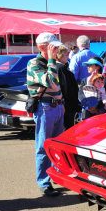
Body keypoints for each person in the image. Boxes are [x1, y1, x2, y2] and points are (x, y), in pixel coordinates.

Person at [27, 32, 64, 196]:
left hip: (55, 107)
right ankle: (43, 182)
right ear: (43, 47)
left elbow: (57, 86)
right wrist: (51, 60)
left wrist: (61, 102)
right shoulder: (34, 63)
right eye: (52, 47)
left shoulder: (52, 63)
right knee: (43, 146)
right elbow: (49, 82)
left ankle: (57, 175)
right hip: (44, 108)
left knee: (57, 145)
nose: (56, 49)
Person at [56, 45, 80, 130]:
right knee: (69, 127)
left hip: (64, 102)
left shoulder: (58, 66)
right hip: (68, 103)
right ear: (61, 56)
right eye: (66, 55)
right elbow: (66, 87)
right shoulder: (61, 68)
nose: (67, 57)